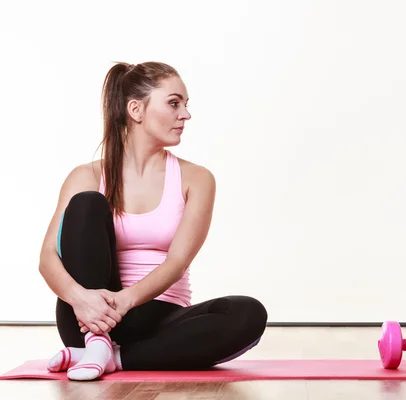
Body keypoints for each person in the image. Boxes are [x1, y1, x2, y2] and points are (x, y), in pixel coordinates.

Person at [37, 61, 268, 381]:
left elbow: (177, 262)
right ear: (136, 109)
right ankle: (96, 343)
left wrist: (123, 302)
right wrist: (84, 301)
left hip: (156, 317)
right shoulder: (85, 176)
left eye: (186, 105)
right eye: (174, 103)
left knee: (248, 314)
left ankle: (113, 357)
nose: (185, 114)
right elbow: (48, 258)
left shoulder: (197, 179)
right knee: (86, 204)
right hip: (87, 318)